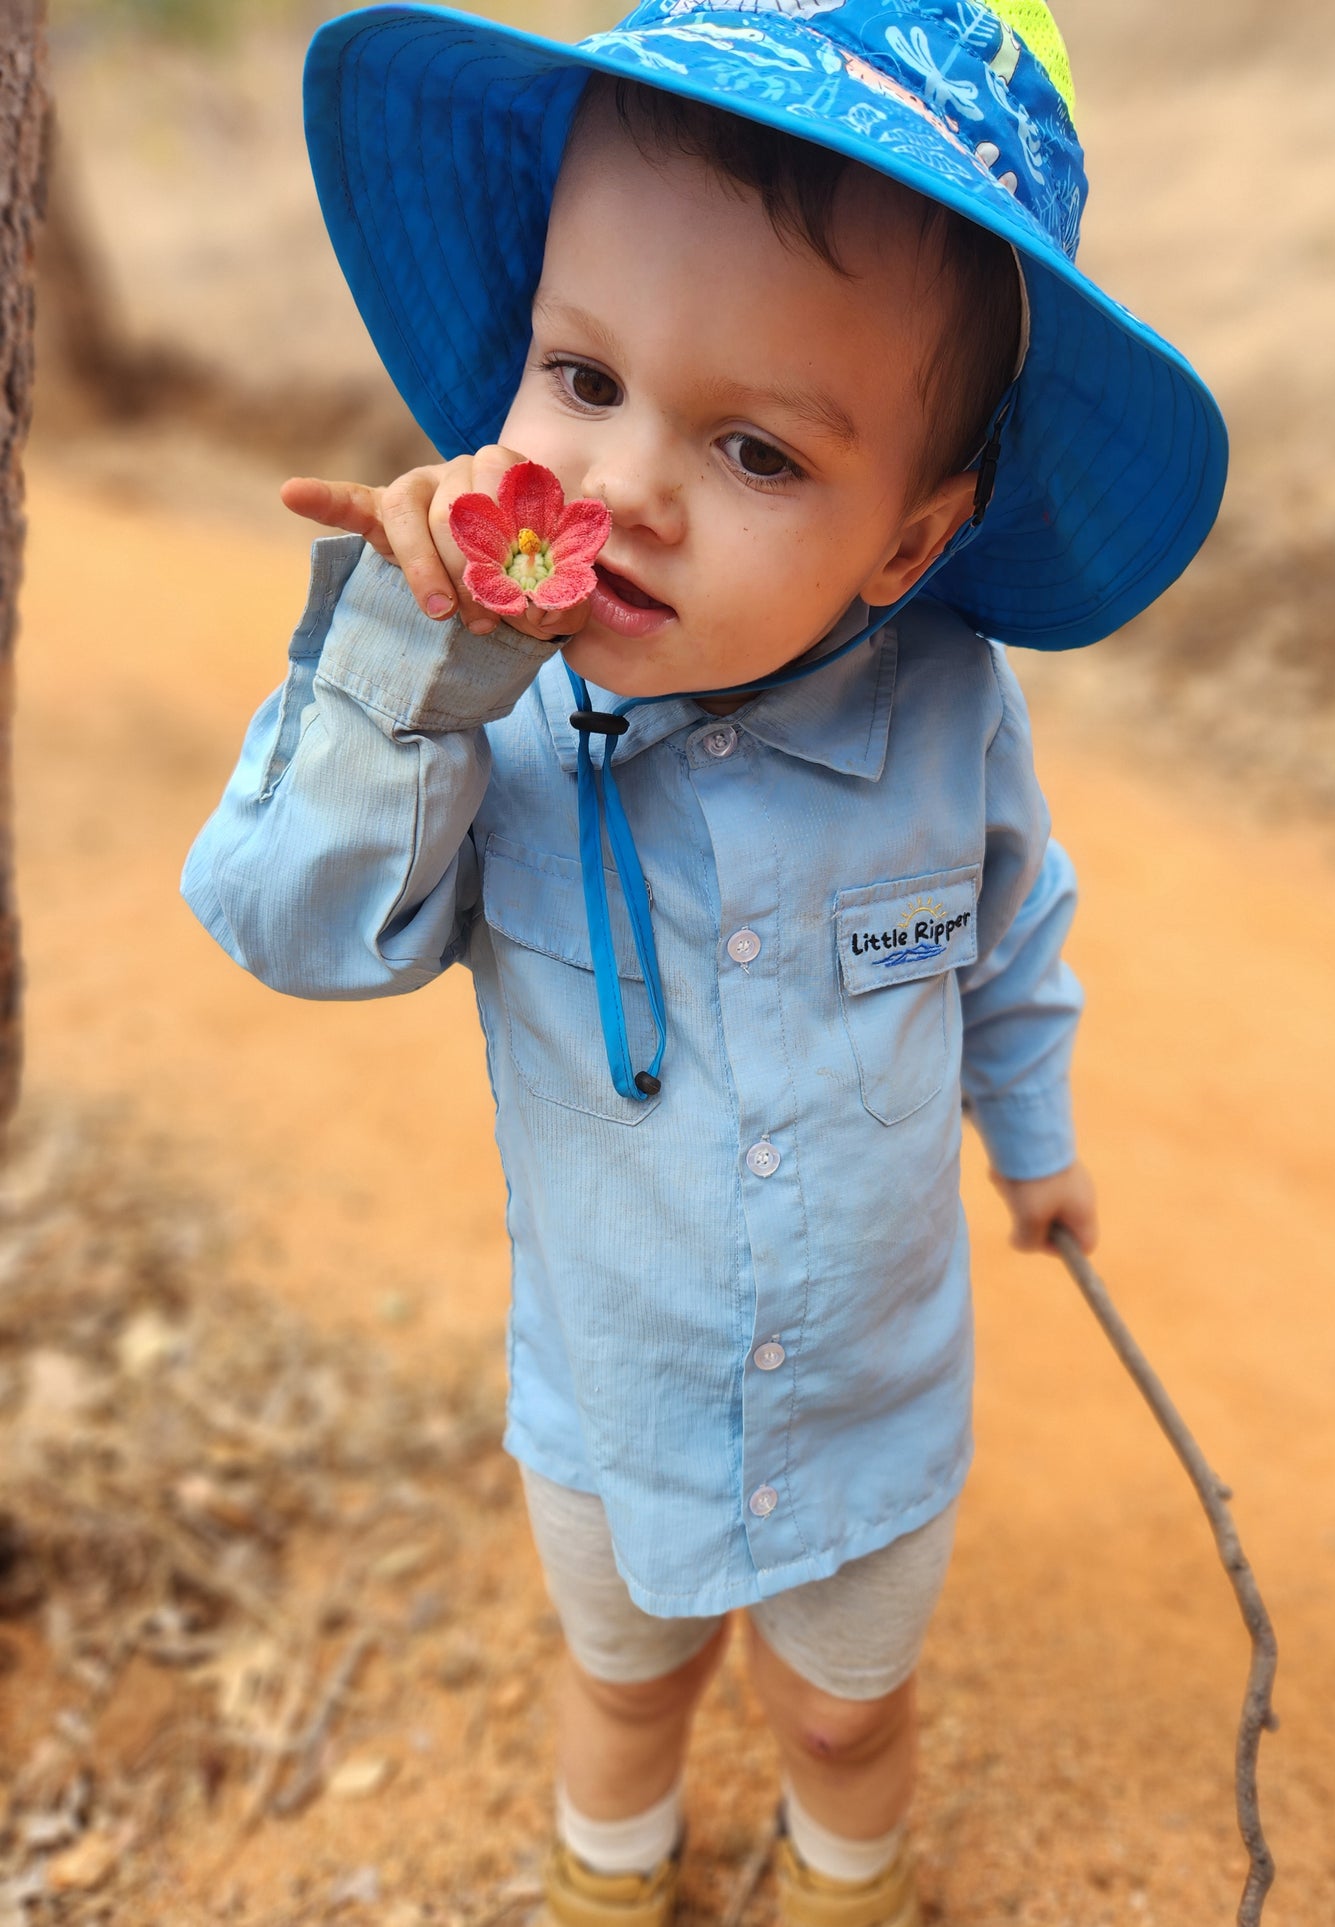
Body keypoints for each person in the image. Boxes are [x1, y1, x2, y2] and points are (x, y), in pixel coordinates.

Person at [182, 3, 1226, 1921]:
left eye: (753, 448)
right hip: (613, 1386)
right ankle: (610, 1883)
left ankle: (845, 1881)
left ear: (910, 540)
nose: (627, 488)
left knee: (840, 1714)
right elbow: (296, 928)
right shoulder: (478, 708)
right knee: (626, 1674)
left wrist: (1038, 1137)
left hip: (870, 1393)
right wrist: (407, 669)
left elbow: (1013, 928)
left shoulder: (947, 711)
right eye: (578, 379)